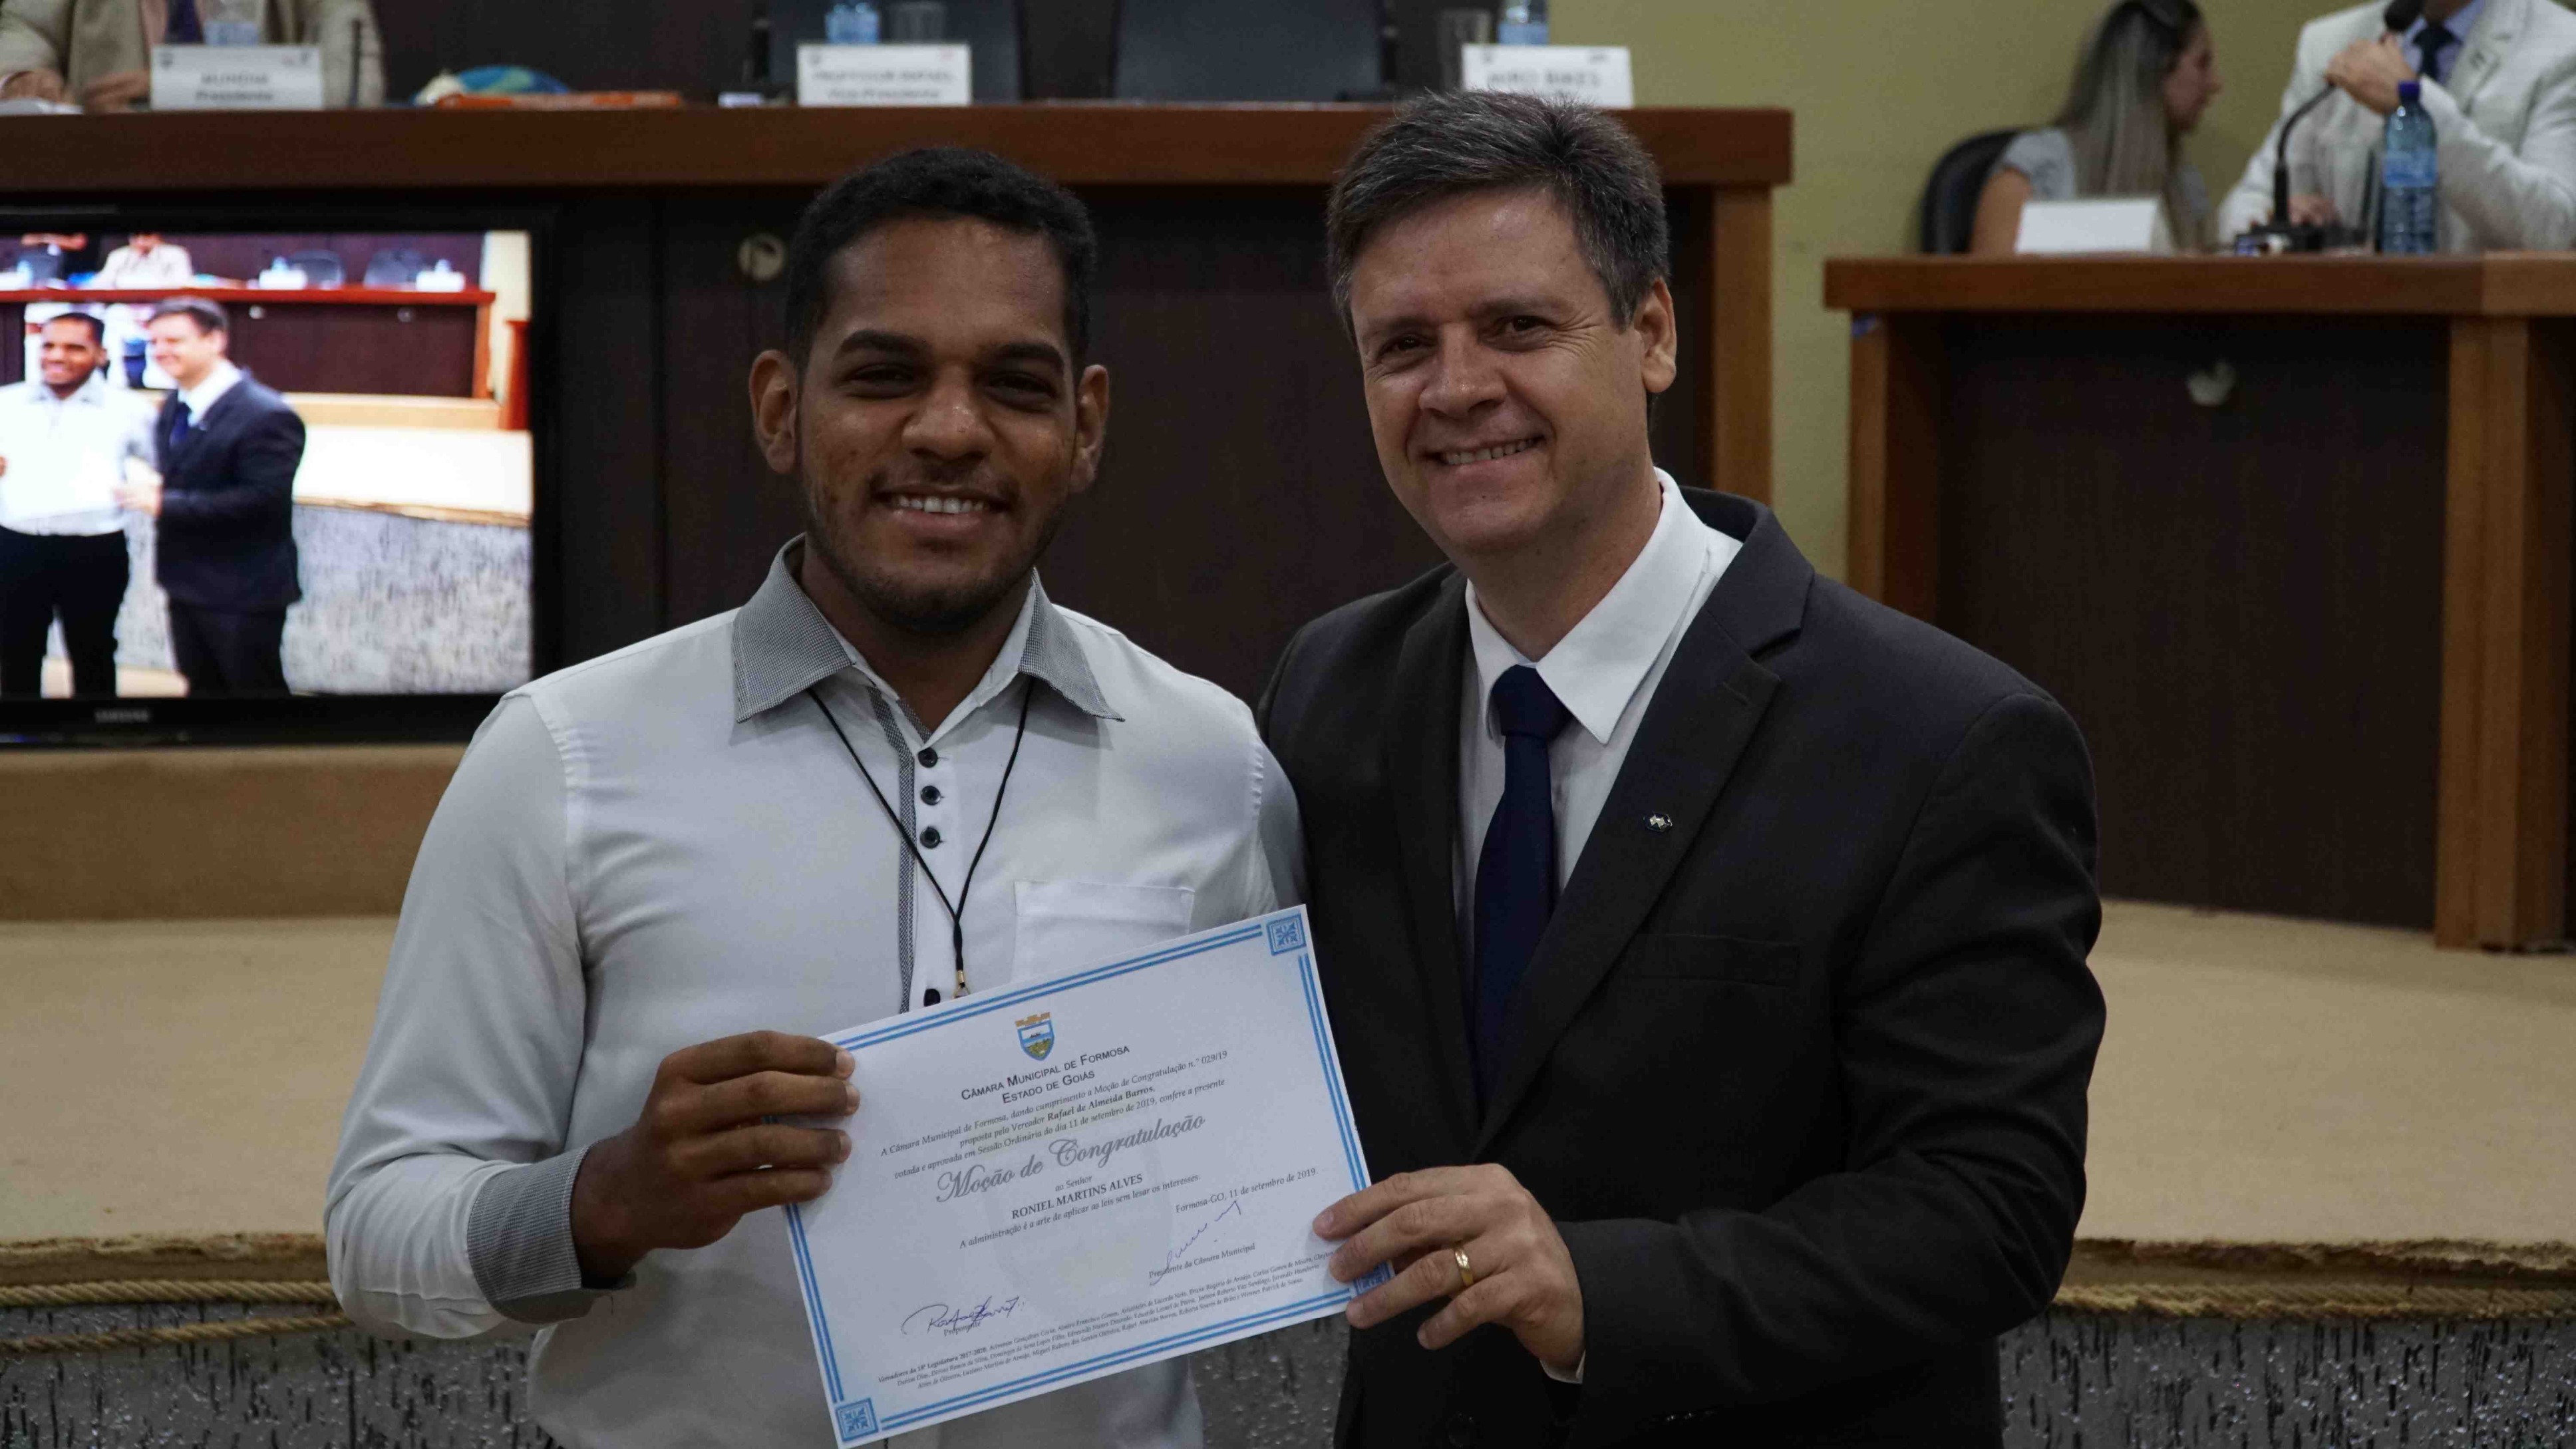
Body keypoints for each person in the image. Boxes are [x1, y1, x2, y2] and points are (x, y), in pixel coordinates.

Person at [325, 148, 1303, 1449]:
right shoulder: (562, 755)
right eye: (884, 375)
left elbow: (1268, 1168)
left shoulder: (1213, 763)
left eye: (1014, 385)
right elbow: (377, 1233)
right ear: (782, 409)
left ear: (1085, 427)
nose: (948, 429)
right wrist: (606, 1199)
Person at [1259, 93, 2105, 1447]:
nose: (1455, 388)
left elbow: (1987, 1209)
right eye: (1402, 346)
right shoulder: (1327, 689)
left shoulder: (1942, 737)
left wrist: (1602, 1292)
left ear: (1651, 332)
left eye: (1516, 328)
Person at [2217, 0, 2576, 249]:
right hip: (2341, 318)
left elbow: (2557, 229)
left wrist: (2415, 105)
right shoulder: (2330, 41)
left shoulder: (2562, 46)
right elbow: (2243, 207)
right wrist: (2280, 218)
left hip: (2482, 324)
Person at [120, 296, 303, 695]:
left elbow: (262, 501)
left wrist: (165, 504)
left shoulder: (266, 414)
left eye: (174, 341)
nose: (161, 351)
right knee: (203, 691)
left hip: (243, 589)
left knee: (252, 696)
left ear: (215, 340)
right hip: (186, 581)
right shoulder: (175, 402)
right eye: (154, 342)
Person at [1972, 0, 2224, 255]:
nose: (2215, 83)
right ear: (2154, 67)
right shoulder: (2036, 173)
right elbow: (1992, 279)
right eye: (2202, 63)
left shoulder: (2184, 181)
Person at [0, 311, 152, 697]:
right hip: (16, 546)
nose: (57, 356)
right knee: (15, 650)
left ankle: (95, 731)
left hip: (94, 551)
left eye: (74, 348)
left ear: (101, 354)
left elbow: (172, 468)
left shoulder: (130, 410)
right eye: (49, 345)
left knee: (94, 651)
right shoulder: (7, 402)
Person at [0, 0, 383, 112]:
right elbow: (25, 29)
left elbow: (355, 88)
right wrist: (19, 78)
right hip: (110, 179)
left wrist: (174, 87)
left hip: (268, 182)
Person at [92, 232, 193, 287]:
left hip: (165, 303)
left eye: (146, 235)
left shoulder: (176, 254)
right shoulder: (118, 255)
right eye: (136, 236)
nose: (141, 241)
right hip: (125, 304)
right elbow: (101, 283)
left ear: (157, 237)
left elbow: (182, 283)